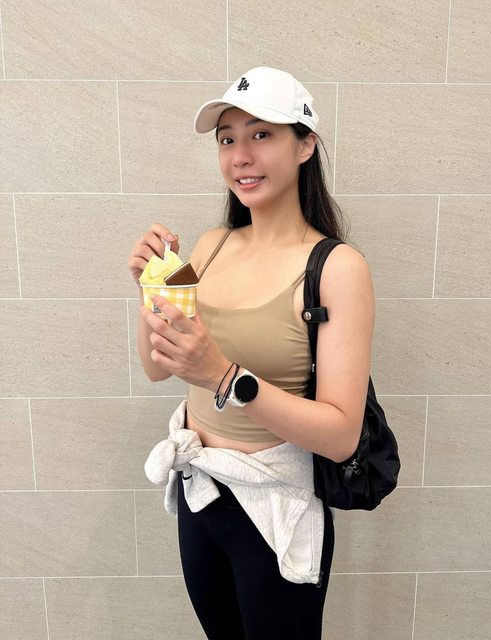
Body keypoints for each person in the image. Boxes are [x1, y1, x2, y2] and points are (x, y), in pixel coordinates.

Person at [128, 66, 375, 640]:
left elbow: (342, 435)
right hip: (200, 494)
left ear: (305, 145)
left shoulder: (338, 268)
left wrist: (224, 376)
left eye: (262, 134)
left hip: (274, 510)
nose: (240, 156)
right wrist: (151, 288)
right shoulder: (211, 246)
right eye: (227, 139)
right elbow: (156, 367)